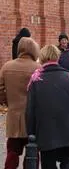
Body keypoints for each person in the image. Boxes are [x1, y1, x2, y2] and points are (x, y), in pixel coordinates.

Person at [26, 45, 69, 169]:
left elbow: (30, 110)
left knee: (48, 163)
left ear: (42, 58)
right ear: (57, 57)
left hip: (45, 131)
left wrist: (31, 133)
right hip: (67, 128)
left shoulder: (36, 80)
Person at [0, 37, 41, 169]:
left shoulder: (7, 67)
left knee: (12, 151)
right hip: (33, 117)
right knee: (33, 152)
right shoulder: (38, 68)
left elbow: (0, 89)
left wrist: (8, 102)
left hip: (14, 115)